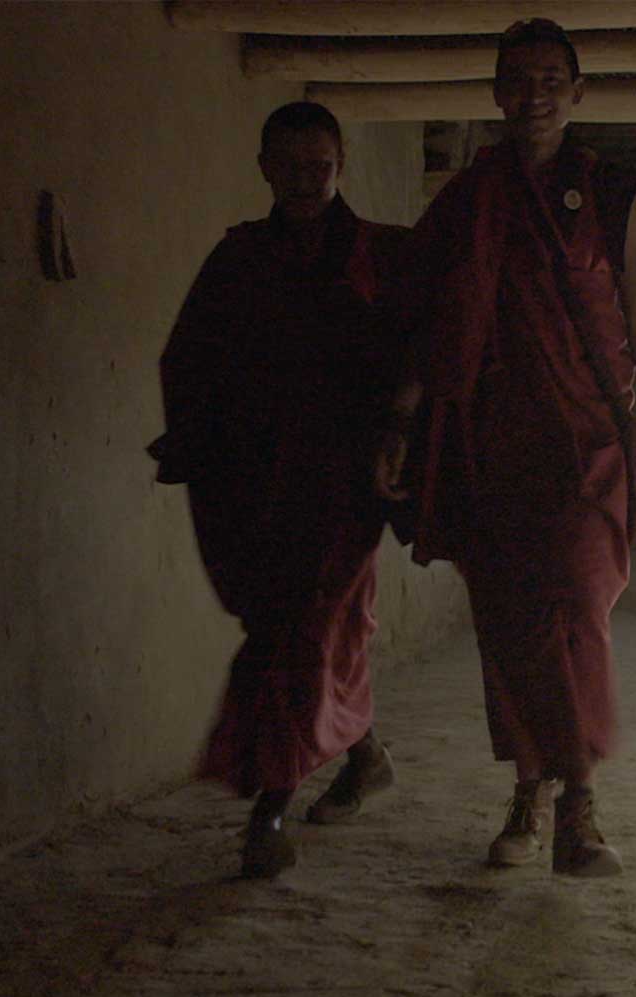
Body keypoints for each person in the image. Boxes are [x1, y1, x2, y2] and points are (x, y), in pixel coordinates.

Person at [392, 17, 636, 877]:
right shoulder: (466, 202)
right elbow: (433, 326)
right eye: (517, 79)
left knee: (574, 602)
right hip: (492, 443)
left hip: (590, 441)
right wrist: (398, 424)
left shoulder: (609, 192)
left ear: (577, 93)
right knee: (508, 620)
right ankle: (534, 792)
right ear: (496, 93)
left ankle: (580, 799)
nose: (533, 94)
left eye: (549, 79)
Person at [152, 101, 414, 878]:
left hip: (343, 488)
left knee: (300, 637)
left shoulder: (375, 257)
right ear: (264, 167)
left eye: (320, 166)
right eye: (290, 166)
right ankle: (363, 754)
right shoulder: (237, 260)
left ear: (341, 168)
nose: (305, 180)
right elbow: (186, 360)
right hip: (254, 486)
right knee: (290, 632)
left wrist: (398, 437)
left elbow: (420, 350)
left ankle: (269, 808)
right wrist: (209, 446)